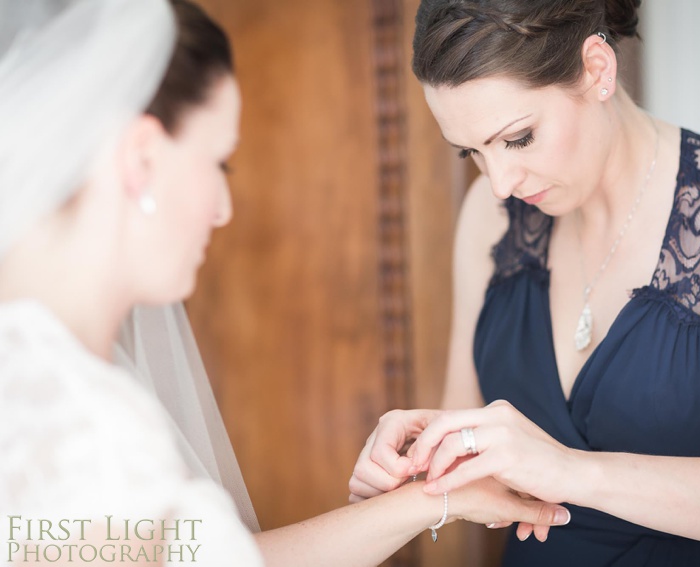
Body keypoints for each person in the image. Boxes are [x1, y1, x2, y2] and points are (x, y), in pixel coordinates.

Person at [0, 1, 571, 566]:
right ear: (142, 158)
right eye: (218, 163)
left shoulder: (46, 378)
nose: (223, 210)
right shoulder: (70, 418)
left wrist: (439, 500)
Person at [349, 0, 700, 565]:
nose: (500, 183)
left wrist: (574, 472)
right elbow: (470, 443)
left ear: (597, 68)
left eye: (517, 138)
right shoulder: (492, 222)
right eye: (472, 151)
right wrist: (421, 462)